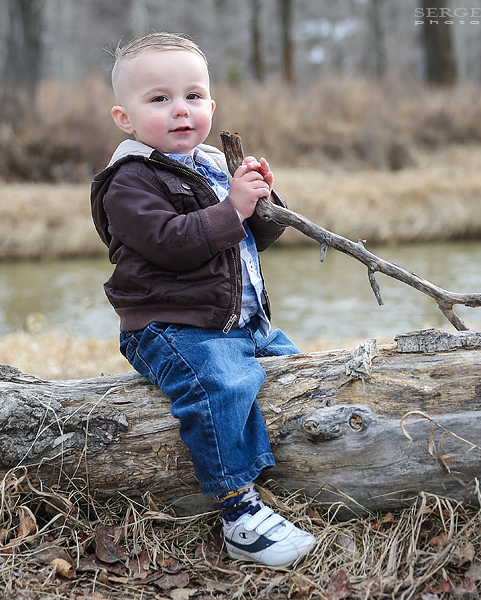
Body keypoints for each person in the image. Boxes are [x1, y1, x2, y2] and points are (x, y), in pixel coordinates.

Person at [89, 32, 316, 568]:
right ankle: (238, 511)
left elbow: (253, 241)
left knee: (300, 375)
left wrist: (260, 201)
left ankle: (296, 481)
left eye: (193, 96)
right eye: (159, 99)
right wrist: (231, 209)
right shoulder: (129, 181)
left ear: (212, 105)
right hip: (172, 326)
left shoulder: (213, 164)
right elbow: (172, 243)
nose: (180, 111)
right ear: (125, 118)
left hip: (238, 321)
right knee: (221, 386)